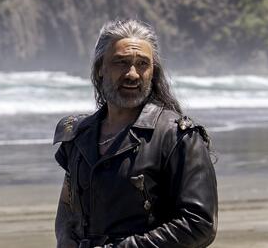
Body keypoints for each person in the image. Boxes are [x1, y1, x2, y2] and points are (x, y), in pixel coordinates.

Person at [54, 19, 217, 248]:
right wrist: (64, 240)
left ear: (153, 72)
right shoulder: (79, 136)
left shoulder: (178, 137)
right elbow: (68, 205)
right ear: (100, 68)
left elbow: (200, 224)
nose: (132, 73)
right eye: (120, 62)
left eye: (142, 64)